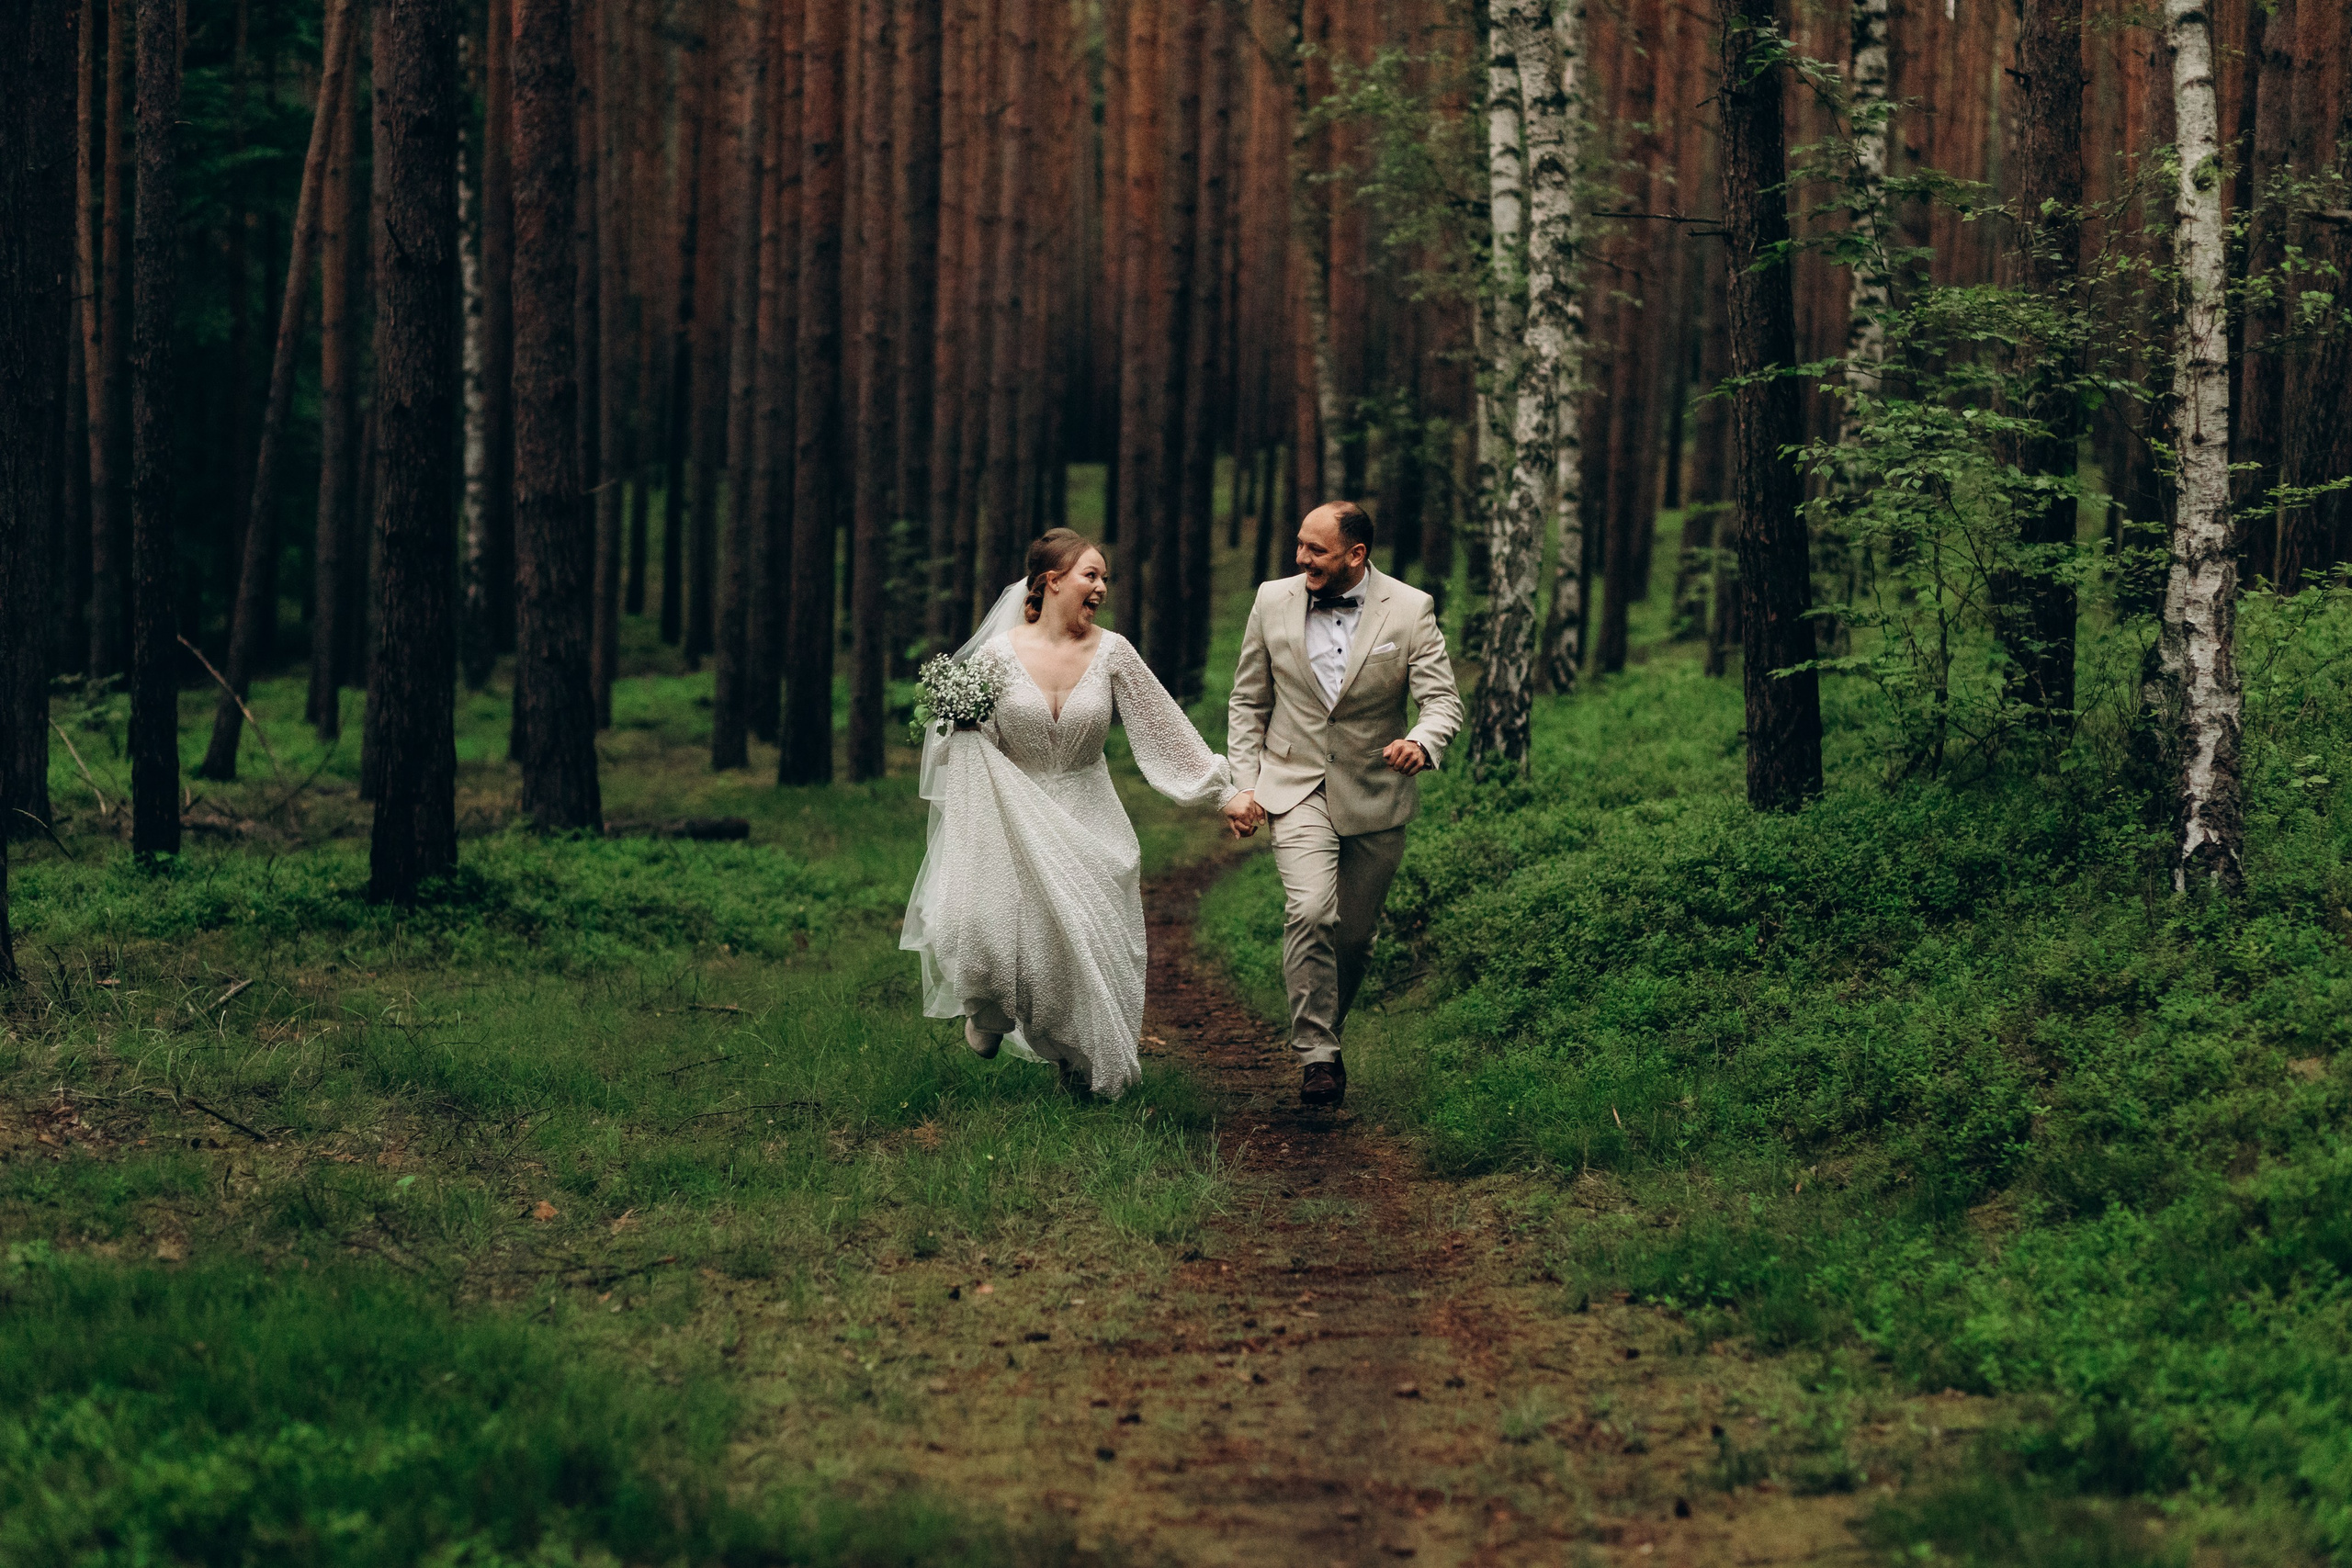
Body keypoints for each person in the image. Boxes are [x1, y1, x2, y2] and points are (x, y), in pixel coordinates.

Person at [901, 528, 1244, 1098]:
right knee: (985, 931)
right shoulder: (995, 656)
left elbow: (1163, 730)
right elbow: (955, 745)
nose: (1102, 587)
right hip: (1012, 814)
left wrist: (1222, 794)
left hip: (1090, 813)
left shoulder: (1113, 653)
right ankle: (989, 1009)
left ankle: (1081, 1066)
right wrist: (959, 728)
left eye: (1105, 577)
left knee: (1086, 941)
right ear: (1050, 582)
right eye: (1091, 575)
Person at [1223, 501, 1464, 1108]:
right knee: (1309, 911)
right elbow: (1248, 701)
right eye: (1300, 544)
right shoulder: (1271, 600)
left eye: (1316, 549)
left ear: (1356, 555)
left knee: (1353, 938)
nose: (1301, 558)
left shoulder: (1411, 609)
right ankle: (1318, 1055)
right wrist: (1243, 784)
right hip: (1294, 783)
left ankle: (1328, 1031)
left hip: (1377, 794)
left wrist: (1420, 741)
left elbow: (1443, 704)